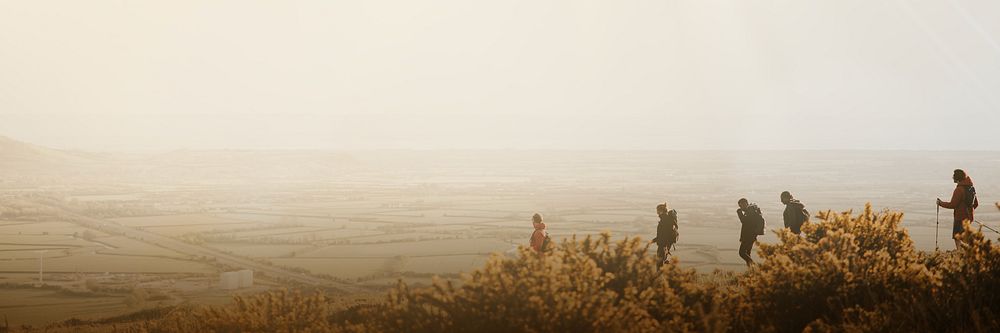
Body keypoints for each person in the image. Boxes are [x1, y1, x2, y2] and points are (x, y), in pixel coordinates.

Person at [938, 169, 979, 249]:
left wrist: (940, 203)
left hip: (960, 217)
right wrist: (969, 211)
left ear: (957, 178)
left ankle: (961, 254)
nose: (952, 177)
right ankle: (973, 252)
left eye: (954, 176)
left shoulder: (959, 190)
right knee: (965, 237)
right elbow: (976, 204)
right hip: (969, 217)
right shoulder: (971, 188)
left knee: (958, 237)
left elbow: (953, 204)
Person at [736, 198, 765, 267]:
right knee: (747, 253)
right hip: (751, 236)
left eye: (741, 206)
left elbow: (744, 221)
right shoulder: (751, 211)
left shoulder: (750, 211)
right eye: (740, 206)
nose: (741, 208)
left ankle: (753, 265)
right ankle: (751, 270)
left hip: (748, 236)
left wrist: (739, 213)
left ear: (745, 203)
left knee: (742, 253)